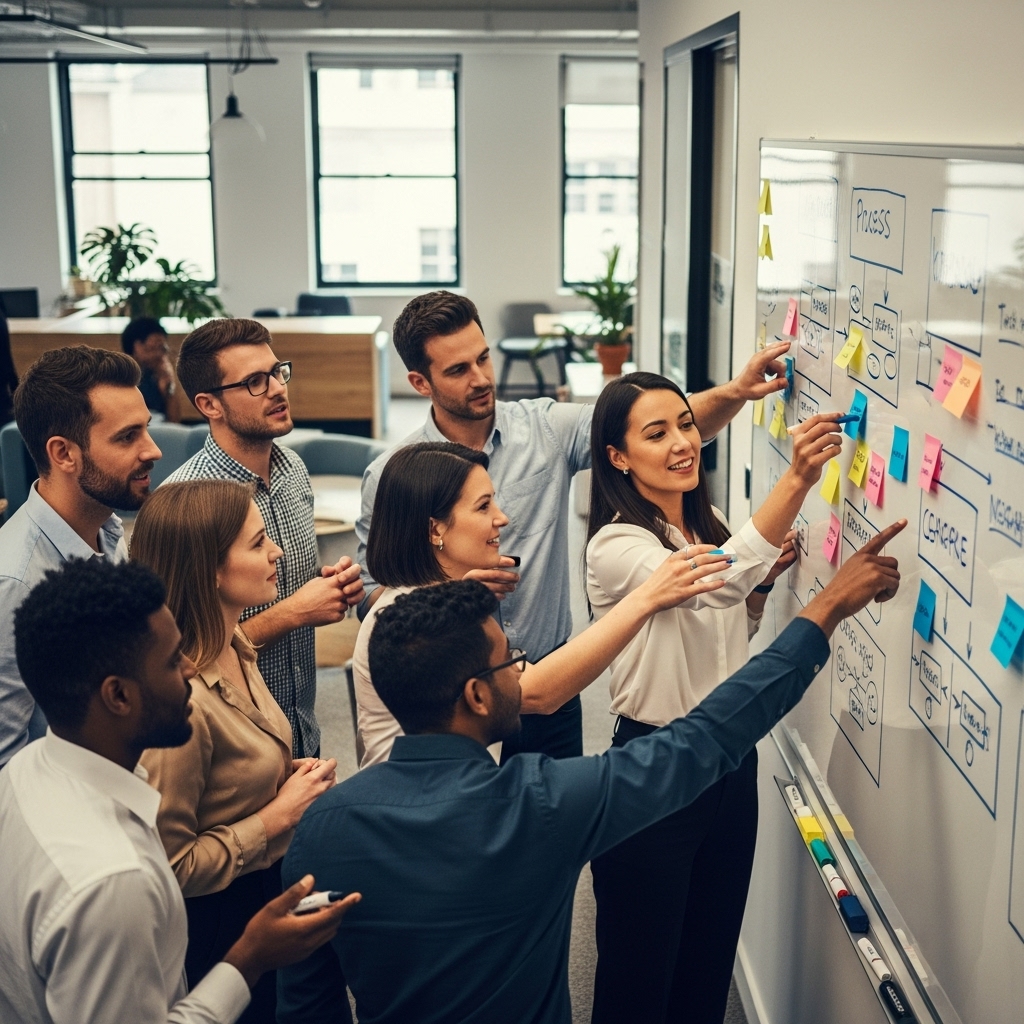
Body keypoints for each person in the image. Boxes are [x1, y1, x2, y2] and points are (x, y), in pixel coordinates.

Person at [277, 521, 905, 1024]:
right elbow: (700, 743)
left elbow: (306, 1001)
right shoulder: (539, 804)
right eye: (511, 666)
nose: (520, 674)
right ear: (474, 696)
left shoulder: (322, 826)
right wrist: (823, 610)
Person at [356, 290, 793, 761]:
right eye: (458, 370)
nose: (482, 378)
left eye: (483, 357)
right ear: (420, 382)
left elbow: (643, 426)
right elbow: (372, 590)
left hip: (553, 677)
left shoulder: (544, 427)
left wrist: (736, 391)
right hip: (457, 694)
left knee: (555, 829)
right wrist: (449, 593)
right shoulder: (393, 474)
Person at [583, 372, 852, 1023]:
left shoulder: (712, 525)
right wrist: (796, 481)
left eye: (685, 424)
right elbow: (709, 590)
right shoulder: (618, 543)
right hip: (653, 767)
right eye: (657, 433)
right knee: (639, 976)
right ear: (617, 457)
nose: (682, 442)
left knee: (708, 957)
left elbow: (728, 625)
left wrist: (759, 593)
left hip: (730, 765)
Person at [0, 557, 359, 1024]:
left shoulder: (24, 770)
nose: (190, 669)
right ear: (118, 696)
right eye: (172, 660)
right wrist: (250, 956)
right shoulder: (113, 885)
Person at [354, 441, 734, 766]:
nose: (501, 519)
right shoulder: (413, 625)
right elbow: (537, 693)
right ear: (435, 528)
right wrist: (646, 598)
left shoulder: (439, 603)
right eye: (484, 507)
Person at [131, 480, 341, 1023]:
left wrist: (283, 777)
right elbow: (170, 869)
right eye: (257, 543)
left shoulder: (235, 644)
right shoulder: (183, 703)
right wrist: (276, 816)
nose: (277, 552)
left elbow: (231, 775)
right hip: (214, 930)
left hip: (258, 893)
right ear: (212, 571)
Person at [167, 318, 364, 758]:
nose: (277, 388)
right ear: (209, 405)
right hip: (235, 749)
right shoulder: (186, 502)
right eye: (255, 381)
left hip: (303, 728)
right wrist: (293, 612)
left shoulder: (292, 469)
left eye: (278, 372)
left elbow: (286, 583)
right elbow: (182, 655)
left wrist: (328, 584)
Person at [0, 345, 162, 766]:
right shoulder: (15, 582)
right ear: (64, 453)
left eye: (146, 429)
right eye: (128, 436)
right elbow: (5, 760)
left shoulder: (107, 530)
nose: (153, 450)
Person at [121, 316, 179, 420]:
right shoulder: (122, 377)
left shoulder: (155, 375)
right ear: (137, 347)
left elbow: (174, 421)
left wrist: (169, 385)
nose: (160, 355)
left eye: (162, 349)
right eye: (154, 348)